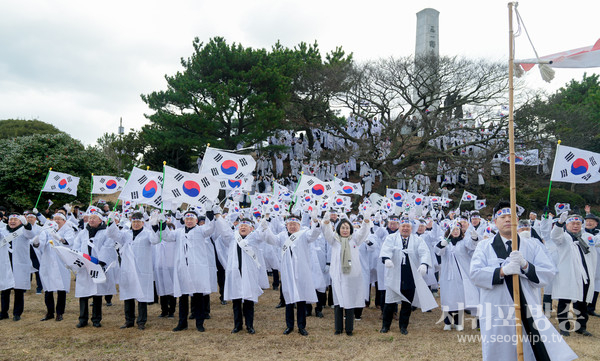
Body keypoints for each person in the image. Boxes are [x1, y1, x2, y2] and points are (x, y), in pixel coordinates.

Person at [470, 201, 577, 361]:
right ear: (495, 221)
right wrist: (502, 271)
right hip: (496, 309)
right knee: (499, 350)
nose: (507, 220)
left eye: (511, 216)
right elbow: (475, 273)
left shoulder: (532, 245)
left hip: (526, 308)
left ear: (517, 220)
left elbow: (548, 271)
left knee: (530, 348)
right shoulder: (484, 246)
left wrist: (525, 266)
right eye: (503, 217)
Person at [264, 213, 321, 336]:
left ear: (299, 225)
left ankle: (301, 326)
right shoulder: (282, 236)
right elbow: (270, 239)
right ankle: (289, 326)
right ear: (286, 225)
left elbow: (314, 234)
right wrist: (265, 227)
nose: (292, 227)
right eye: (290, 224)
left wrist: (315, 221)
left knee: (301, 299)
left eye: (295, 224)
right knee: (289, 299)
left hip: (301, 271)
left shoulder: (304, 234)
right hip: (287, 271)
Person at [379, 217, 437, 335]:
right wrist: (386, 259)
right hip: (394, 273)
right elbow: (386, 249)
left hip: (410, 274)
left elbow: (424, 252)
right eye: (403, 226)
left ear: (412, 228)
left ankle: (403, 326)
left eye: (408, 227)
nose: (405, 229)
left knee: (407, 303)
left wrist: (424, 264)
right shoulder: (391, 238)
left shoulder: (417, 240)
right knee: (389, 302)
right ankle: (386, 326)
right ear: (399, 227)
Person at [163, 209, 217, 332]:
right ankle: (182, 322)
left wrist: (209, 212)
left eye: (191, 219)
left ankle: (199, 323)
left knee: (198, 296)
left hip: (197, 268)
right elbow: (166, 236)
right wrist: (161, 224)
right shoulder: (179, 232)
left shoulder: (201, 230)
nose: (189, 221)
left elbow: (210, 228)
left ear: (196, 221)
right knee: (183, 297)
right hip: (183, 267)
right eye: (187, 219)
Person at [108, 212, 160, 330]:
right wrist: (111, 222)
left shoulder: (147, 234)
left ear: (142, 222)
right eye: (134, 221)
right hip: (128, 269)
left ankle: (141, 321)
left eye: (138, 222)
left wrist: (155, 226)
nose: (136, 224)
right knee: (128, 295)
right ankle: (129, 320)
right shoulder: (126, 234)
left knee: (142, 296)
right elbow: (112, 234)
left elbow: (156, 240)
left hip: (142, 269)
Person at [322, 213, 371, 336]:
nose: (345, 230)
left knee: (350, 302)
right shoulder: (334, 240)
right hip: (338, 275)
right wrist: (327, 222)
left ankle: (349, 329)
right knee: (338, 302)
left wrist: (366, 221)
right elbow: (327, 233)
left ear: (350, 229)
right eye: (342, 228)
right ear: (339, 229)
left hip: (351, 276)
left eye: (347, 228)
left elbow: (364, 232)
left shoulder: (355, 239)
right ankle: (338, 328)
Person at [216, 217, 267, 334]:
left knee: (249, 300)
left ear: (251, 228)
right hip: (235, 272)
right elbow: (224, 230)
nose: (243, 227)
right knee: (236, 300)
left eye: (246, 226)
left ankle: (250, 325)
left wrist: (264, 224)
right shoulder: (233, 237)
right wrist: (218, 216)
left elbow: (261, 234)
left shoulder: (253, 238)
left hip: (248, 273)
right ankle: (237, 325)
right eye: (241, 225)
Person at [551, 212, 598, 337]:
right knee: (564, 301)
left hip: (585, 275)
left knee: (582, 303)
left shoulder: (587, 237)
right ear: (567, 225)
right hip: (568, 275)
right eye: (572, 223)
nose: (575, 226)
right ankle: (564, 327)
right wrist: (559, 223)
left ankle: (581, 327)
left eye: (578, 223)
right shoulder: (563, 238)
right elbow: (555, 236)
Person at [71, 208, 117, 328]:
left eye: (94, 218)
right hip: (84, 267)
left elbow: (108, 247)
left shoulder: (105, 232)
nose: (91, 220)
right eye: (90, 218)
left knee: (97, 293)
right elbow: (76, 246)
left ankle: (96, 319)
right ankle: (83, 319)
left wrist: (100, 262)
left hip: (97, 266)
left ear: (100, 220)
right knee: (83, 292)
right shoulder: (83, 232)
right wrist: (78, 259)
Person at [435, 222, 479, 331]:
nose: (455, 231)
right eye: (453, 229)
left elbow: (472, 245)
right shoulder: (444, 241)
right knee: (448, 299)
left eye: (457, 229)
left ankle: (458, 322)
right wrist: (442, 244)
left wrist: (474, 238)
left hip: (461, 275)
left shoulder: (463, 242)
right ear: (449, 231)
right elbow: (438, 252)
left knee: (459, 299)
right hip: (448, 276)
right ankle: (447, 322)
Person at [33, 213, 76, 322]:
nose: (56, 221)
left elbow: (69, 242)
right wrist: (37, 242)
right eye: (55, 218)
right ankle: (49, 312)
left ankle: (59, 313)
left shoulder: (68, 230)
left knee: (61, 288)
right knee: (48, 288)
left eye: (59, 219)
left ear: (64, 221)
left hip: (61, 262)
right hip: (48, 261)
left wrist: (61, 239)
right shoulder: (47, 229)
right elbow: (41, 244)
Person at [0, 213, 35, 321]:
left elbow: (31, 235)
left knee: (18, 290)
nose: (12, 221)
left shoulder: (23, 231)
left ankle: (17, 313)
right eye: (11, 219)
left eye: (15, 219)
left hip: (19, 264)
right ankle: (4, 312)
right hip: (6, 264)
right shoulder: (3, 231)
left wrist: (27, 224)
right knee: (5, 289)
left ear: (20, 221)